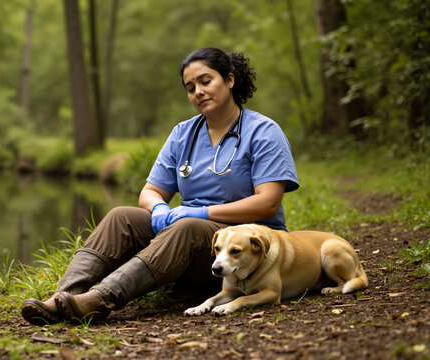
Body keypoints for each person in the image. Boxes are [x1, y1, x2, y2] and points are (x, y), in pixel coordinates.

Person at [21, 47, 299, 325]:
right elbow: (151, 191)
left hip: (250, 254)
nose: (198, 92)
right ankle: (62, 299)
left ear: (229, 80)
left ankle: (99, 299)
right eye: (190, 88)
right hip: (193, 245)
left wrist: (201, 213)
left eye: (205, 81)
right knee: (122, 217)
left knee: (186, 226)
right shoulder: (183, 134)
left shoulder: (263, 132)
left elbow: (268, 202)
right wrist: (159, 208)